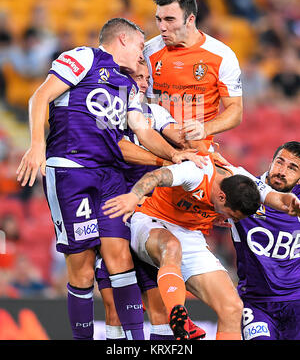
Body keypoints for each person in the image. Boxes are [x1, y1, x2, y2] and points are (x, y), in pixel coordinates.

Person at [16, 17, 205, 341]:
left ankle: (133, 342)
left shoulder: (128, 86)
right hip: (72, 171)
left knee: (120, 258)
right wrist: (36, 145)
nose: (140, 55)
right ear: (122, 41)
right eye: (138, 48)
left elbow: (143, 131)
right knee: (83, 270)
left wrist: (174, 156)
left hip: (110, 177)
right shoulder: (83, 58)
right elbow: (39, 97)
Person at [103, 154, 300, 340]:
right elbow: (156, 176)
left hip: (190, 233)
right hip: (151, 219)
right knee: (171, 247)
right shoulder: (197, 171)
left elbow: (274, 197)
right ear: (222, 197)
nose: (229, 220)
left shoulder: (241, 177)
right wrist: (133, 196)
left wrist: (289, 203)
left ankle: (180, 319)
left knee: (232, 308)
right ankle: (179, 315)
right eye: (231, 215)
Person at [95, 60, 205, 340]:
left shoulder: (155, 112)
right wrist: (166, 156)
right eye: (136, 76)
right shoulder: (107, 112)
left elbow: (176, 137)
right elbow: (120, 149)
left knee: (158, 309)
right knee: (114, 308)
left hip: (147, 215)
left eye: (146, 78)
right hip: (115, 214)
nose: (143, 83)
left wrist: (195, 136)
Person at [143, 0, 243, 152]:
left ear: (190, 19)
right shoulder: (148, 51)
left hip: (198, 150)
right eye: (158, 19)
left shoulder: (222, 55)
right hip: (155, 146)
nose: (162, 27)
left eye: (169, 19)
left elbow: (235, 111)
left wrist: (204, 129)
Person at [231, 141, 300, 340]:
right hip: (256, 303)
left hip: (296, 301)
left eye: (292, 168)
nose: (282, 171)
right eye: (279, 162)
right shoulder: (245, 191)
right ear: (271, 162)